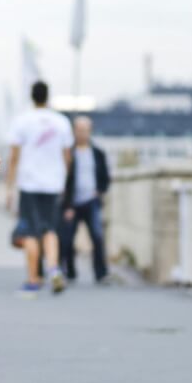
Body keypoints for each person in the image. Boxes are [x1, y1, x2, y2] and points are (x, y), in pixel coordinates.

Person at [5, 80, 73, 294]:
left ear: (32, 97)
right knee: (50, 229)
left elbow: (14, 157)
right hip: (53, 184)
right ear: (48, 96)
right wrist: (62, 179)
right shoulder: (61, 122)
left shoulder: (22, 121)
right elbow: (67, 157)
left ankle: (34, 279)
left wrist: (9, 187)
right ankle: (53, 269)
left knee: (32, 232)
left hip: (30, 183)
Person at [60, 115, 111, 283]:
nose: (82, 133)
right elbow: (64, 179)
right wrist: (67, 204)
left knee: (97, 236)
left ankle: (101, 273)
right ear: (74, 131)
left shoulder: (98, 153)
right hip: (72, 203)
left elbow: (105, 177)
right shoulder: (69, 153)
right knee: (67, 239)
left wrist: (100, 191)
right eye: (79, 130)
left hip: (91, 201)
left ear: (90, 131)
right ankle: (70, 271)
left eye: (85, 130)